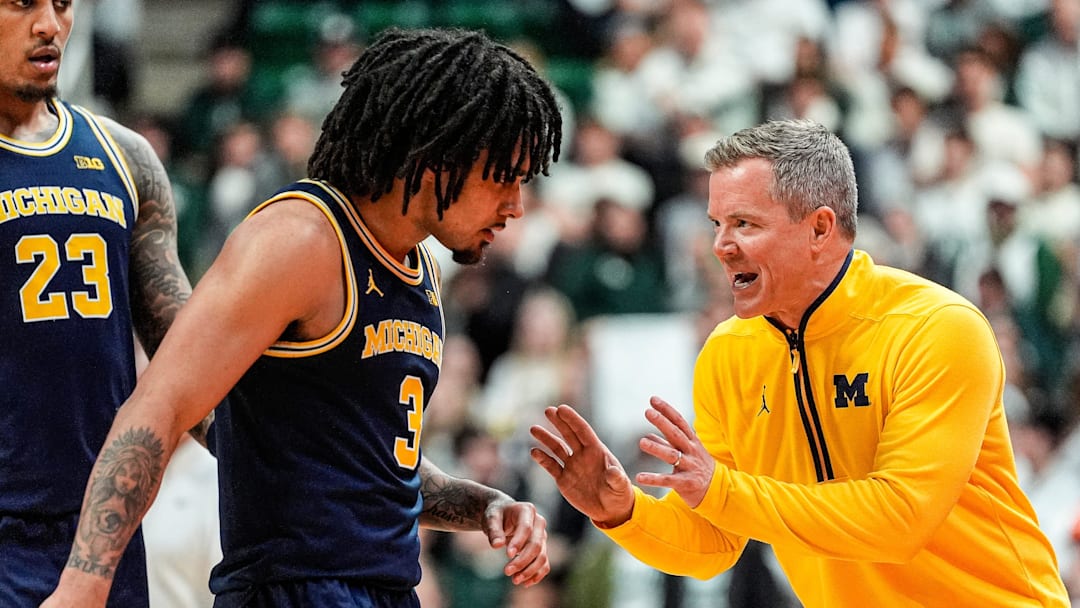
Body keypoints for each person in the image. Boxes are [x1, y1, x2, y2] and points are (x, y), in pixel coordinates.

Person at [43, 26, 562, 608]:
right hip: (290, 591)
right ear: (438, 156)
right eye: (504, 178)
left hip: (389, 589)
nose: (516, 206)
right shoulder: (301, 239)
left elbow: (380, 467)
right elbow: (159, 408)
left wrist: (484, 505)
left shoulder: (417, 269)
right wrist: (84, 584)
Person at [530, 119, 1070, 606]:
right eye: (717, 222)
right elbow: (716, 541)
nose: (720, 245)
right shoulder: (728, 352)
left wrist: (722, 491)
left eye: (744, 223)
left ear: (819, 228)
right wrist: (623, 512)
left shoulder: (937, 328)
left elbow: (901, 519)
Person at [0, 1, 194, 607]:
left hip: (102, 537)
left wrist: (330, 458)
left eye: (62, 4)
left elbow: (189, 357)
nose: (48, 25)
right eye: (21, 1)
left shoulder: (125, 157)